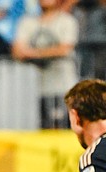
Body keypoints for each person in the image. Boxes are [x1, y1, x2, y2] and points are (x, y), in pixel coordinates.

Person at [12, 0, 79, 129]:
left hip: (62, 88)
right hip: (35, 89)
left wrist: (31, 53)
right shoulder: (27, 22)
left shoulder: (67, 21)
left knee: (63, 128)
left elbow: (64, 49)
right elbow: (17, 51)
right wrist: (47, 52)